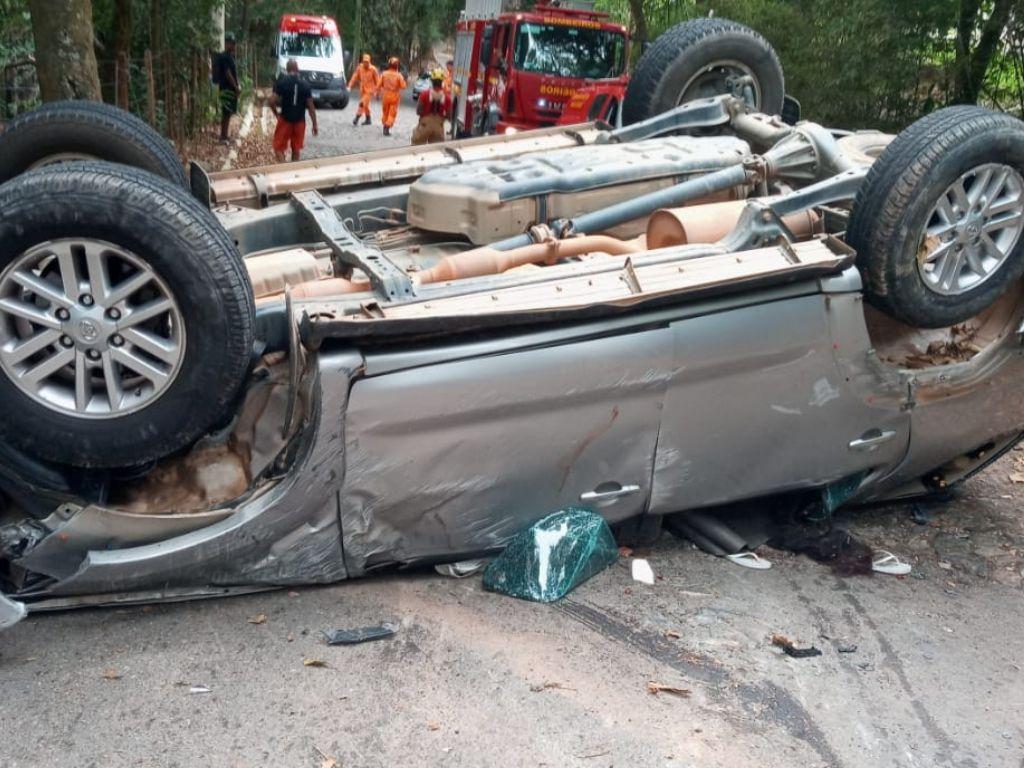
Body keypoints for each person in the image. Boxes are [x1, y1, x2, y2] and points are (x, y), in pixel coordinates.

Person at [270, 59, 318, 162]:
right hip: (300, 122)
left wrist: (276, 113)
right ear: (297, 69)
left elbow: (271, 101)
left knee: (278, 148)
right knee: (296, 149)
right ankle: (294, 169)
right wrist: (314, 124)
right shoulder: (305, 85)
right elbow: (311, 107)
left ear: (287, 69)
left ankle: (284, 167)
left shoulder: (281, 83)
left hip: (285, 120)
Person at [212, 34, 240, 144]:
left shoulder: (230, 56)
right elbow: (228, 74)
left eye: (234, 43)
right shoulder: (225, 57)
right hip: (226, 89)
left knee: (227, 113)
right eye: (231, 43)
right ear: (227, 43)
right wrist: (236, 87)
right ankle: (223, 137)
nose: (233, 45)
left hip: (229, 89)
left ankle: (225, 135)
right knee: (226, 112)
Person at [412, 68, 451, 145]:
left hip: (424, 125)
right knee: (436, 149)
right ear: (442, 81)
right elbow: (449, 115)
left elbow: (418, 111)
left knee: (416, 146)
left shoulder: (424, 94)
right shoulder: (447, 97)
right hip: (438, 127)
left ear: (431, 81)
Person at [348, 53, 380, 126]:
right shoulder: (360, 68)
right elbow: (354, 76)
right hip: (362, 90)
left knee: (362, 103)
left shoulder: (373, 69)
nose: (366, 63)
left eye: (367, 62)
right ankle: (368, 119)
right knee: (365, 105)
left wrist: (377, 93)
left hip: (370, 90)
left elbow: (378, 81)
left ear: (369, 61)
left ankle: (357, 118)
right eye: (364, 61)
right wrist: (350, 86)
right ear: (362, 61)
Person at [378, 57, 407, 136]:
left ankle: (385, 125)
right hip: (394, 96)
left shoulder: (384, 74)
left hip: (385, 95)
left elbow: (378, 85)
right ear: (397, 66)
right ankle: (387, 126)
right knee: (392, 114)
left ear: (389, 65)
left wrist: (377, 93)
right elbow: (403, 86)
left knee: (385, 113)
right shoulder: (399, 75)